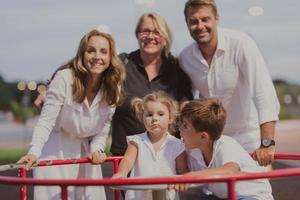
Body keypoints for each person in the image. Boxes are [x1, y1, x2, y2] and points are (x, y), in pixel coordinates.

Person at [17, 29, 125, 200]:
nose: (97, 56)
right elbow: (46, 121)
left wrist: (96, 150)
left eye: (104, 51)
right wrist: (34, 152)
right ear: (82, 54)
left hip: (86, 159)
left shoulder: (113, 87)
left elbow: (103, 129)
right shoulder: (64, 78)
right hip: (55, 152)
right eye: (91, 50)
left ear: (110, 57)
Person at [179, 0, 280, 166]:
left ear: (216, 19)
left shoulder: (241, 44)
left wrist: (267, 143)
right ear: (187, 24)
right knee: (213, 190)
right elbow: (188, 102)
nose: (200, 25)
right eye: (193, 21)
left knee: (250, 190)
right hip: (211, 141)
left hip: (248, 139)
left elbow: (263, 92)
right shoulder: (186, 57)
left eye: (205, 19)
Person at [111, 12, 193, 156]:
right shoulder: (121, 64)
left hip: (167, 156)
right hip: (125, 157)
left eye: (156, 32)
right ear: (137, 34)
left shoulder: (177, 68)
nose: (150, 36)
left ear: (165, 38)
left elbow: (186, 110)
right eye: (145, 31)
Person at [170, 98, 273, 200]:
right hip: (222, 197)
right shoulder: (193, 150)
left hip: (252, 196)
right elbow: (181, 171)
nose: (180, 129)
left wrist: (192, 176)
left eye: (185, 126)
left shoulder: (225, 144)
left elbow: (230, 170)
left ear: (203, 137)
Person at [112, 91, 189, 200]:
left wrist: (185, 179)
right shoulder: (137, 141)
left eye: (160, 114)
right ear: (142, 118)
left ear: (170, 118)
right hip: (139, 195)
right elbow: (128, 160)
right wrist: (122, 173)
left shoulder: (177, 144)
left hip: (166, 195)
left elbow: (182, 170)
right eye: (149, 115)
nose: (154, 119)